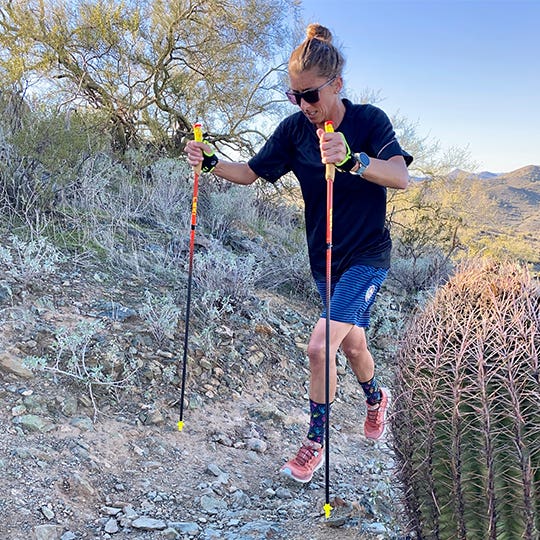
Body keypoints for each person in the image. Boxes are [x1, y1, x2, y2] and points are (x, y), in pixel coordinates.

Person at [185, 23, 413, 484]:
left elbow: (400, 176)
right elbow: (250, 173)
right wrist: (210, 162)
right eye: (295, 97)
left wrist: (354, 160)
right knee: (351, 343)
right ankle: (376, 399)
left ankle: (313, 443)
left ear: (337, 85)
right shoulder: (293, 132)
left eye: (311, 96)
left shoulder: (370, 121)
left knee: (319, 345)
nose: (305, 106)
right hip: (323, 258)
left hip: (368, 257)